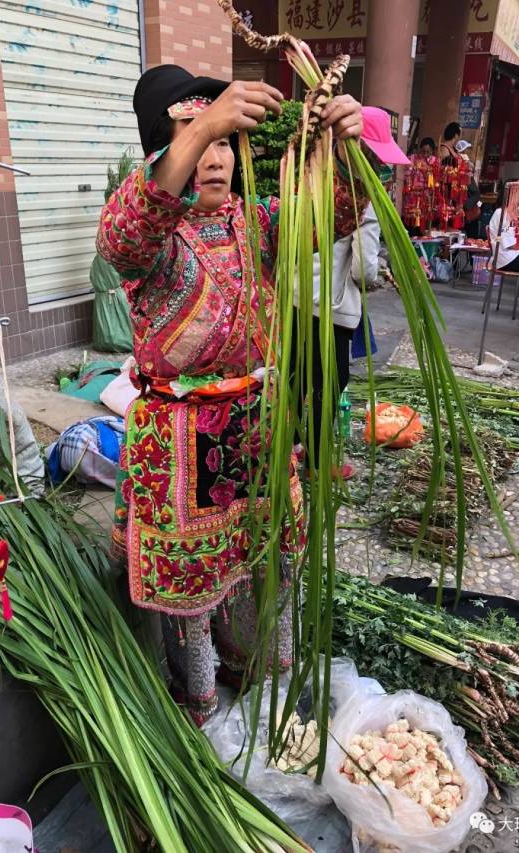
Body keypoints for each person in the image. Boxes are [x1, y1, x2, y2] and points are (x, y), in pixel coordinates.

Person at [96, 64, 367, 725]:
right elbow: (120, 237)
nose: (215, 156)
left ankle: (257, 682)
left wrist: (344, 146)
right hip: (182, 446)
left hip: (257, 432)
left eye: (222, 141)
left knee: (262, 570)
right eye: (196, 138)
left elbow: (333, 213)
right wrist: (211, 118)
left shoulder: (259, 223)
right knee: (191, 597)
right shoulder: (152, 236)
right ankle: (201, 707)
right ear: (163, 151)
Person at [294, 107, 408, 479]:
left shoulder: (309, 182)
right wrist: (377, 278)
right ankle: (316, 462)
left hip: (295, 298)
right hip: (330, 306)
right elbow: (363, 269)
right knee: (330, 383)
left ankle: (282, 454)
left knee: (295, 379)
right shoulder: (362, 200)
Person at [455, 139, 481, 239]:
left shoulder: (466, 168)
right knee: (469, 237)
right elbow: (475, 193)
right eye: (468, 150)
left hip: (465, 210)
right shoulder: (464, 168)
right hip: (465, 211)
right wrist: (464, 206)